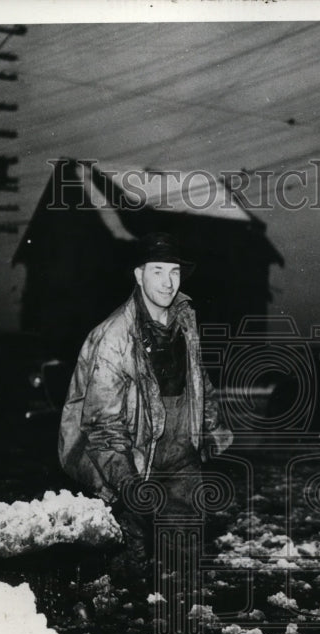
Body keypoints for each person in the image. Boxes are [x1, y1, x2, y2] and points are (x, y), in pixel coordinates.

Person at [58, 232, 233, 586]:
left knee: (185, 571)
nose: (168, 283)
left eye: (174, 272)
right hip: (132, 461)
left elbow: (198, 377)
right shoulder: (114, 338)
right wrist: (128, 484)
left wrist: (211, 426)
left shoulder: (184, 321)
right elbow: (102, 425)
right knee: (128, 576)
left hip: (181, 457)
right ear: (138, 275)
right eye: (157, 271)